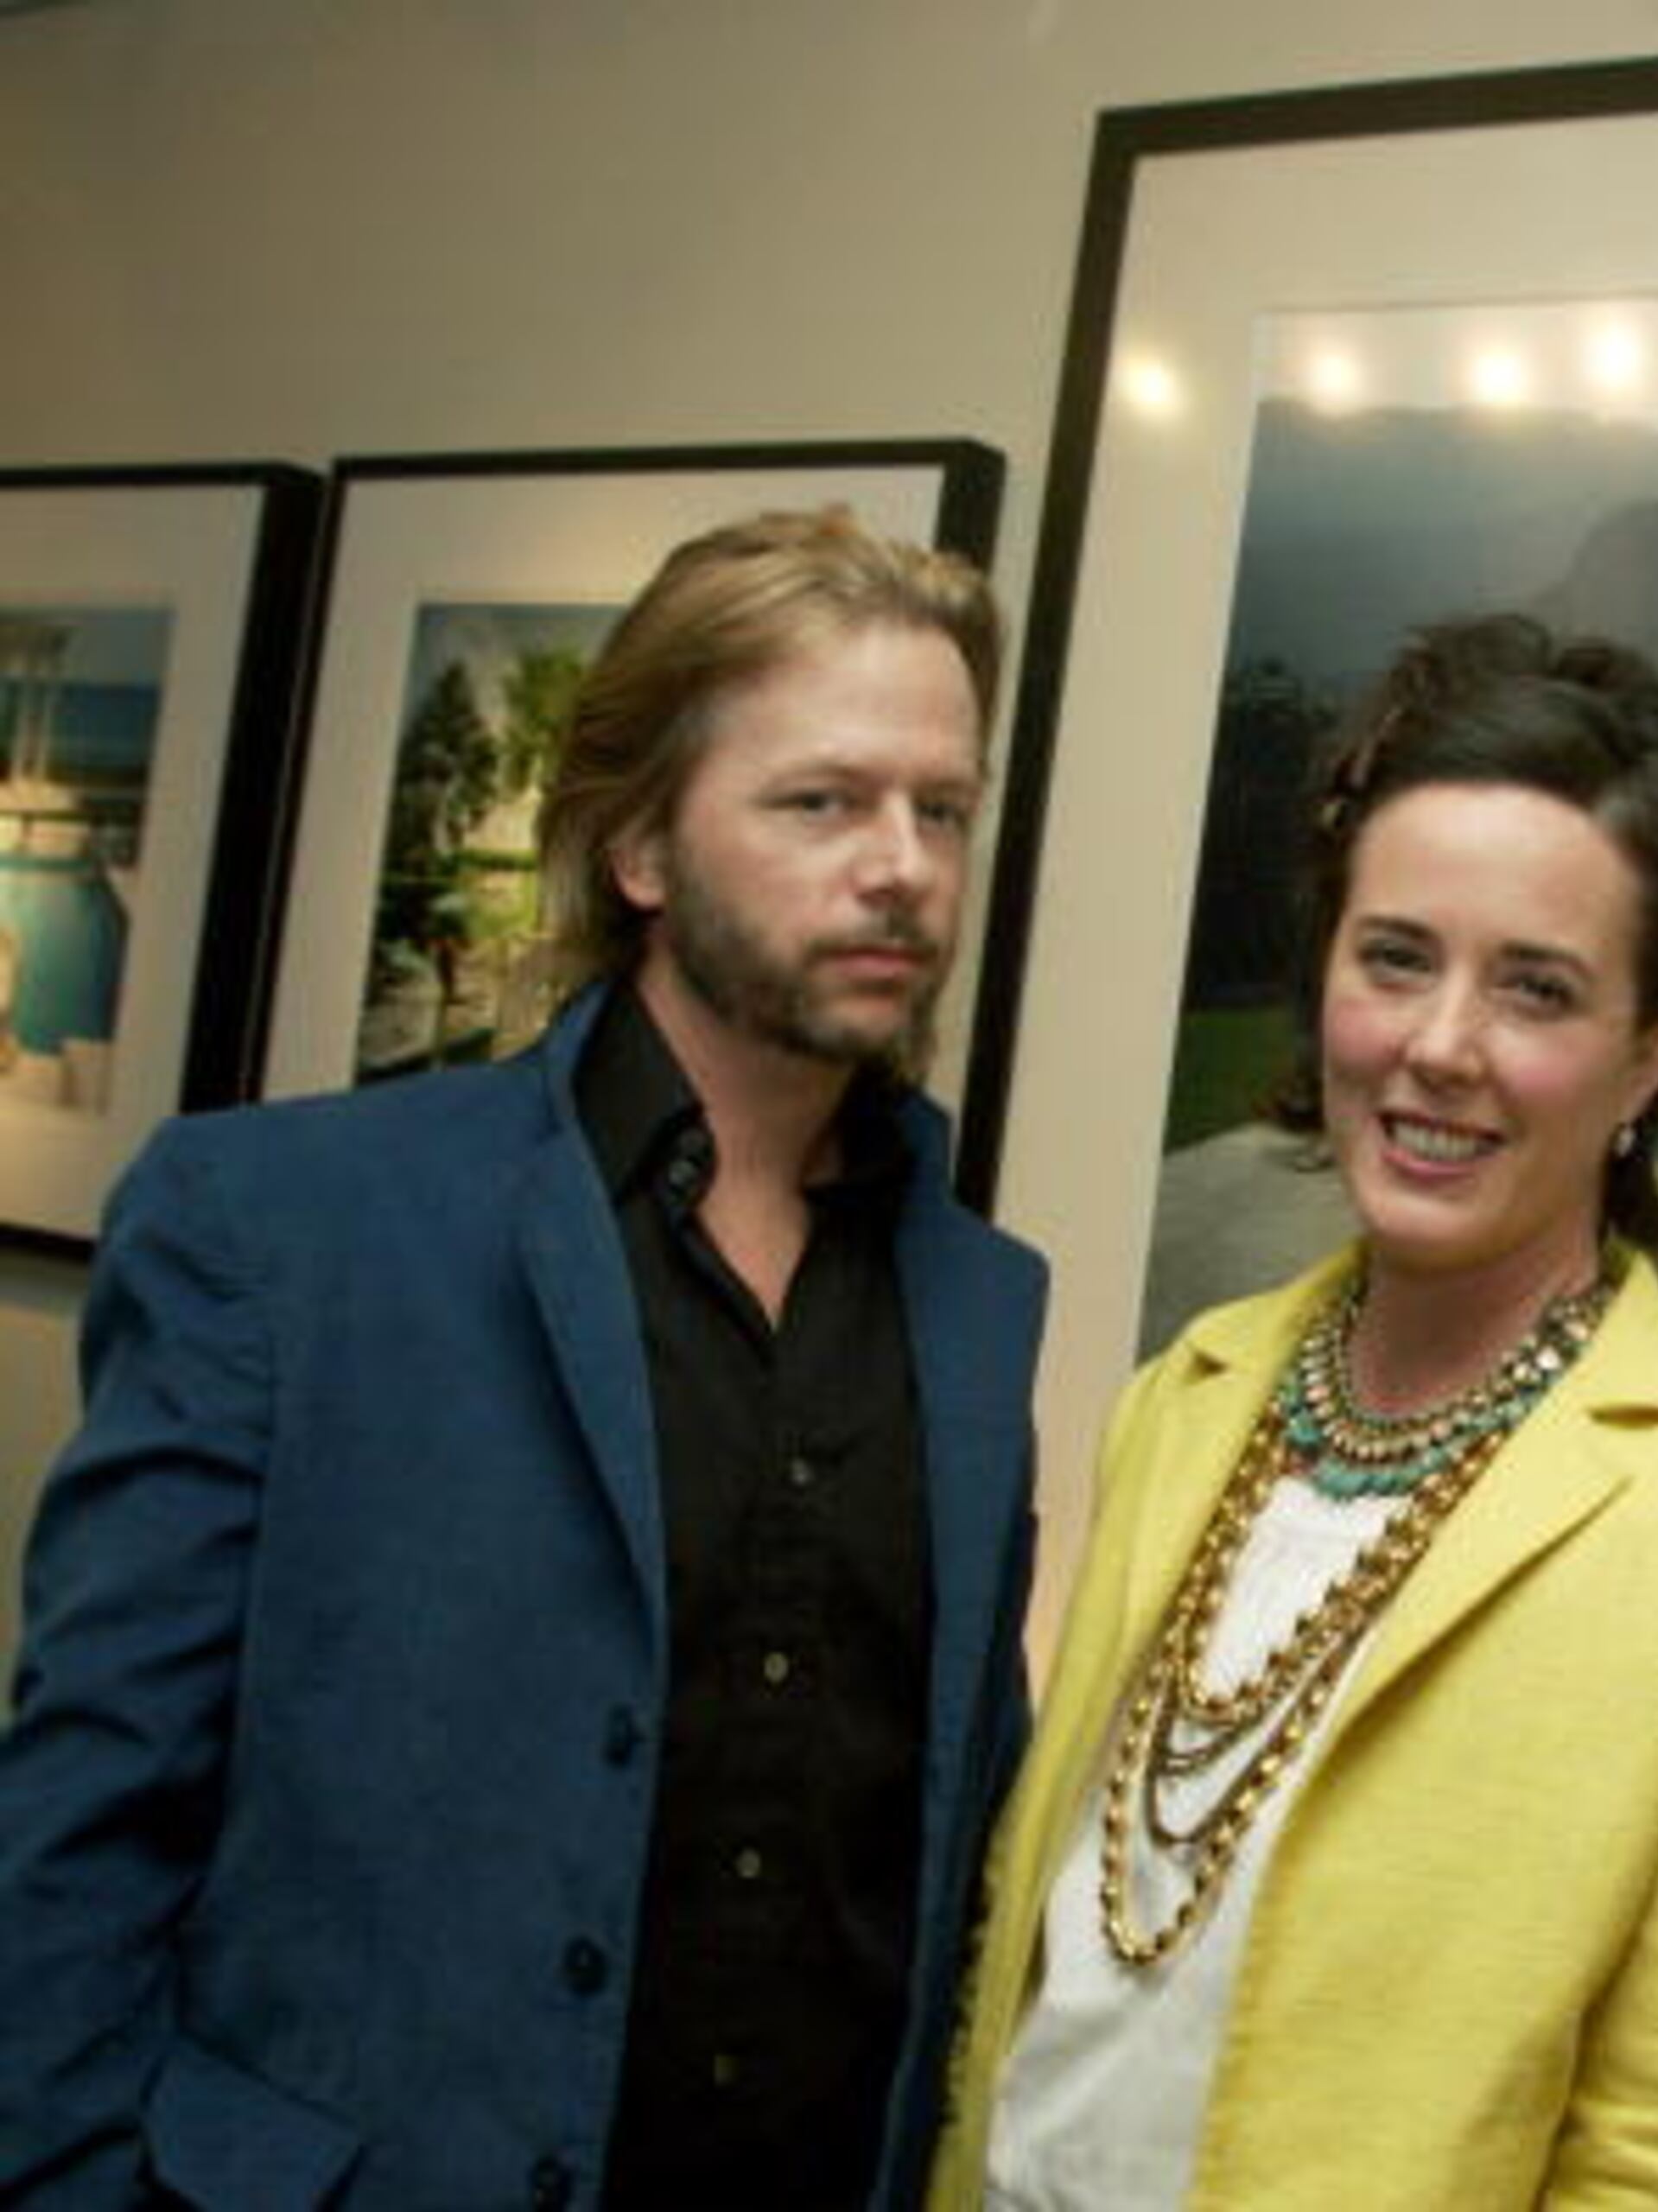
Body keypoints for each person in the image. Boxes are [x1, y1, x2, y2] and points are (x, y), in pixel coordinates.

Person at [0, 507, 1050, 2211]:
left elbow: (936, 1857)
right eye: (821, 799)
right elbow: (78, 1838)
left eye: (942, 807)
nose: (904, 864)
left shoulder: (980, 1298)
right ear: (639, 847)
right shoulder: (280, 1224)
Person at [938, 614, 1658, 2210]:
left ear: (1651, 1056)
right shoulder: (1192, 1392)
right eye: (1398, 957)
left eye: (1538, 989)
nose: (1440, 1048)